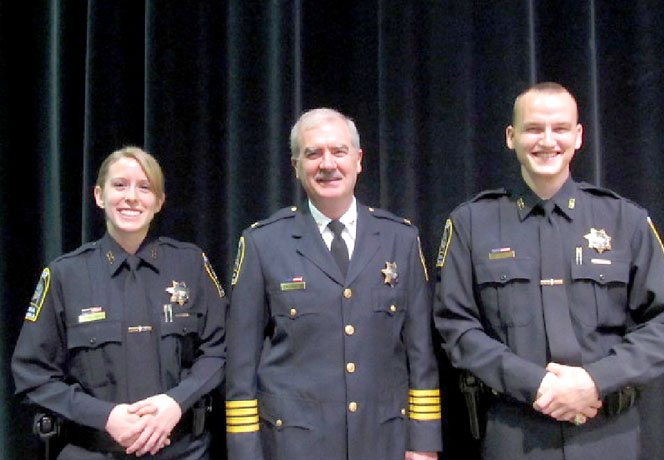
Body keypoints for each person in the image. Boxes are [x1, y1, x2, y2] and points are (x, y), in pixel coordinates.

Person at [433, 82, 664, 459]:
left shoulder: (626, 221)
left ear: (578, 136)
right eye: (533, 129)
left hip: (608, 434)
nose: (547, 141)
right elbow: (456, 327)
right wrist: (537, 385)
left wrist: (595, 380)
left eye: (560, 129)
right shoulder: (471, 224)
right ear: (511, 137)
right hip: (515, 432)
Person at [224, 108, 442, 460]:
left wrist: (423, 443)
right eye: (313, 153)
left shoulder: (401, 239)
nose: (328, 164)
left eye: (339, 152)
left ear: (358, 160)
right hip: (294, 446)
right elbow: (240, 366)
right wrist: (246, 453)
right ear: (295, 165)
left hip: (384, 440)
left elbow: (421, 354)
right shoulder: (263, 243)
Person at [11, 146, 227, 459]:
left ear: (159, 202)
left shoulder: (190, 264)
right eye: (120, 185)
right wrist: (104, 416)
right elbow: (33, 374)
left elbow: (219, 348)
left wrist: (175, 401)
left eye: (145, 187)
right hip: (92, 451)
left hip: (183, 451)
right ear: (99, 196)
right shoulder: (65, 275)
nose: (132, 197)